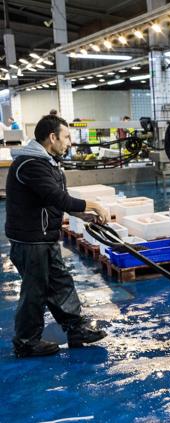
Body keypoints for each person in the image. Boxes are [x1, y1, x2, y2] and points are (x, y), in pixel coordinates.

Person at [5, 114, 110, 358]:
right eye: (66, 137)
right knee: (36, 291)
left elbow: (52, 200)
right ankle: (26, 342)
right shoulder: (30, 164)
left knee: (61, 282)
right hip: (30, 240)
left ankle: (76, 328)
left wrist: (82, 215)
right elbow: (56, 197)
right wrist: (93, 205)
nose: (70, 142)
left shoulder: (46, 162)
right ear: (52, 138)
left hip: (44, 237)